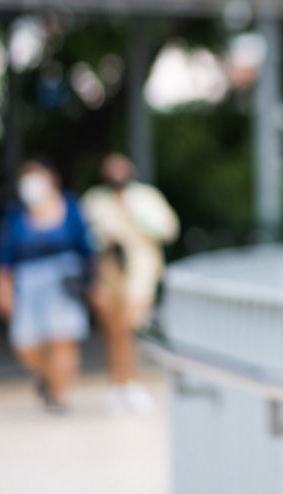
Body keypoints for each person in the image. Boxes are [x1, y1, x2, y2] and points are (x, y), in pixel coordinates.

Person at [0, 157, 97, 413]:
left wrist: (95, 283)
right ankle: (49, 376)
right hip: (28, 284)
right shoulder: (16, 216)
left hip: (64, 281)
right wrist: (2, 288)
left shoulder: (70, 207)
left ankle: (59, 395)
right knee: (25, 344)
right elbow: (4, 257)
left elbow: (88, 249)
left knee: (63, 339)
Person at [82, 153, 179, 414]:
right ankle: (119, 383)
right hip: (108, 273)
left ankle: (133, 383)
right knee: (115, 333)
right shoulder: (95, 200)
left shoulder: (146, 197)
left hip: (140, 272)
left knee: (130, 326)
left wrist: (134, 213)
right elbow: (86, 241)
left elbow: (169, 229)